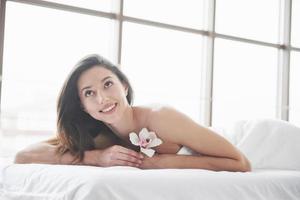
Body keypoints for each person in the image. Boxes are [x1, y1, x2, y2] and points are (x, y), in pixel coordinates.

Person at [14, 54, 251, 171]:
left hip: (247, 141)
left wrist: (163, 162)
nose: (102, 98)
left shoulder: (161, 117)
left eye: (108, 84)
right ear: (83, 107)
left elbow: (241, 162)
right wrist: (95, 157)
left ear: (124, 86)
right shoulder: (99, 137)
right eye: (89, 93)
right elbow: (24, 156)